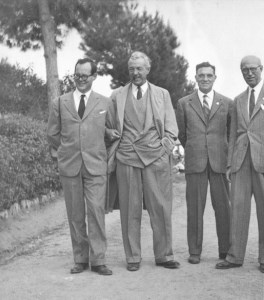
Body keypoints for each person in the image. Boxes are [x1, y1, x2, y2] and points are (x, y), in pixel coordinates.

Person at [107, 51, 180, 271]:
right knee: (130, 209)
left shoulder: (162, 94)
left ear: (148, 69)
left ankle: (164, 255)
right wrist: (110, 133)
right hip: (127, 157)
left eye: (139, 68)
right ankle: (133, 257)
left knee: (161, 207)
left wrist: (163, 147)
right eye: (131, 69)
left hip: (155, 158)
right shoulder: (117, 95)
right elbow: (110, 125)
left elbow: (171, 127)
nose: (135, 73)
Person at [216, 55, 264, 273]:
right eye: (244, 70)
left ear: (261, 68)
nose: (249, 73)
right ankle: (235, 256)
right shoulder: (237, 99)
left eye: (252, 69)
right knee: (238, 210)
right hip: (240, 162)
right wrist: (230, 164)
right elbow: (233, 133)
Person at [47, 58, 113, 275]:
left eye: (85, 75)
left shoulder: (104, 103)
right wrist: (67, 151)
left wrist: (100, 154)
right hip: (70, 166)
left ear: (94, 77)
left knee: (96, 212)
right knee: (75, 214)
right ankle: (80, 259)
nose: (81, 79)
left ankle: (99, 259)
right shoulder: (60, 102)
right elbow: (53, 134)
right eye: (78, 75)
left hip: (96, 166)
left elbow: (112, 133)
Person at [176, 62, 232, 264]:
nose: (205, 79)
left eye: (209, 75)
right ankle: (194, 251)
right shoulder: (184, 103)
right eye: (201, 75)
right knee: (195, 208)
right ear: (196, 78)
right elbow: (182, 134)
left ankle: (225, 250)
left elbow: (229, 133)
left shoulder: (227, 103)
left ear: (215, 78)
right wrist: (195, 147)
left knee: (223, 208)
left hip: (220, 162)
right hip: (195, 161)